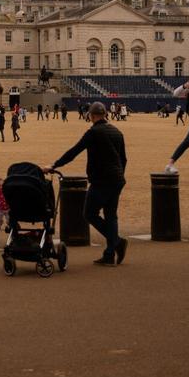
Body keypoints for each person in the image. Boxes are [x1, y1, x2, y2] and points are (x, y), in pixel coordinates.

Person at [44, 101, 128, 267]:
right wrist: (119, 175)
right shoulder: (117, 132)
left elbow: (74, 151)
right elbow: (123, 159)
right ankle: (110, 254)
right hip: (117, 180)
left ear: (92, 115)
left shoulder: (93, 132)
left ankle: (117, 242)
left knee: (89, 213)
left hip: (101, 180)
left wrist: (54, 165)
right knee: (111, 215)